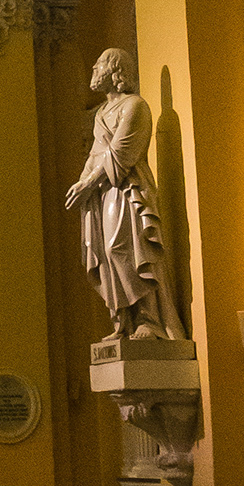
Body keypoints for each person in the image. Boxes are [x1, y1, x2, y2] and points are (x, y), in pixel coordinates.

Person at [65, 48, 187, 341]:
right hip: (105, 192)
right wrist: (82, 183)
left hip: (128, 190)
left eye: (99, 64)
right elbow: (96, 154)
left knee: (127, 249)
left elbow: (121, 153)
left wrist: (89, 183)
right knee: (106, 254)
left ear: (115, 70)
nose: (94, 69)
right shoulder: (102, 114)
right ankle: (124, 322)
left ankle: (150, 319)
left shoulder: (135, 106)